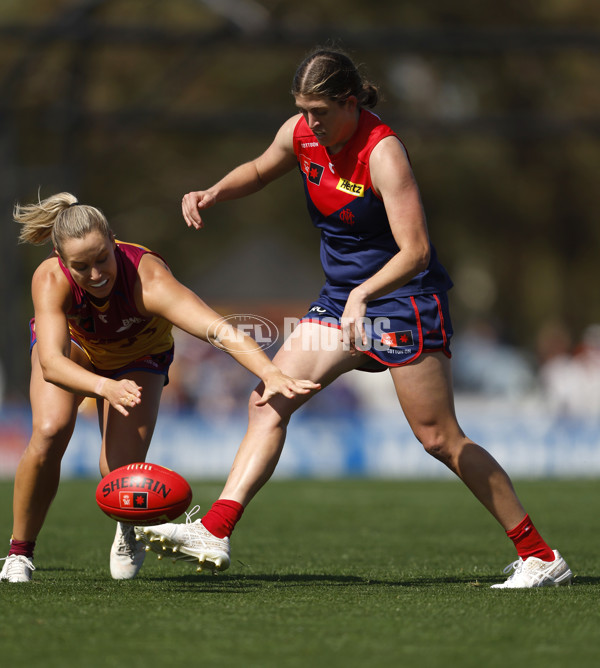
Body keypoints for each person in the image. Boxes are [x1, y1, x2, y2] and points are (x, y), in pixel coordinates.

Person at [138, 48, 571, 588]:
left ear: (349, 101)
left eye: (319, 110)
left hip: (402, 299)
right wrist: (214, 191)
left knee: (438, 438)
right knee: (270, 397)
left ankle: (539, 555)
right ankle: (216, 529)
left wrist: (362, 296)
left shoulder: (383, 152)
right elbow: (258, 170)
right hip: (344, 297)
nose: (310, 122)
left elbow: (415, 251)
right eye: (302, 109)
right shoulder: (300, 133)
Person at [0, 192, 320, 583]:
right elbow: (52, 363)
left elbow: (217, 330)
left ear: (114, 240)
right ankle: (20, 552)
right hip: (77, 351)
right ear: (60, 259)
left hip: (140, 356)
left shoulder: (149, 280)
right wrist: (104, 387)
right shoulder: (49, 278)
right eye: (81, 267)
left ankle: (127, 527)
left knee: (117, 471)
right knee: (50, 430)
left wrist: (269, 371)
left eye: (102, 258)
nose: (96, 274)